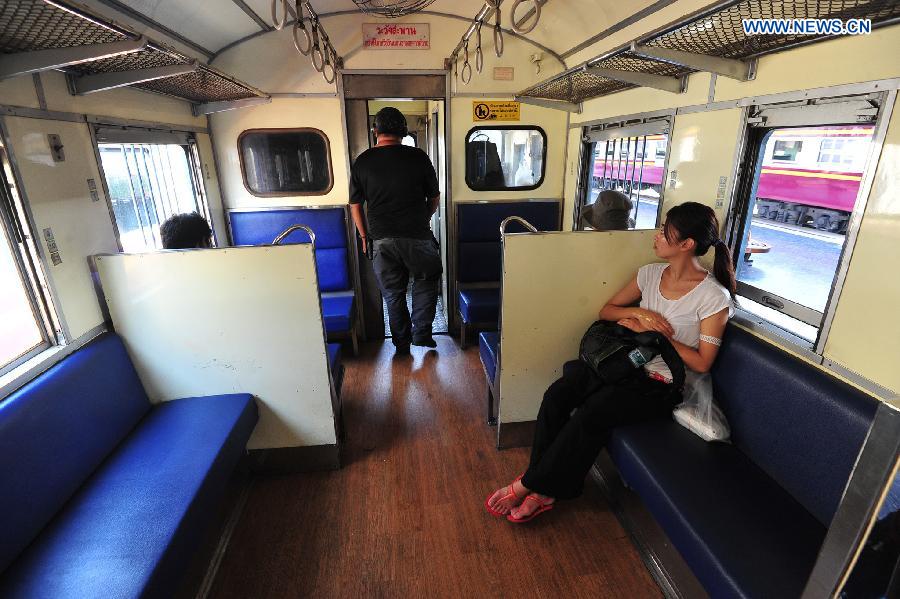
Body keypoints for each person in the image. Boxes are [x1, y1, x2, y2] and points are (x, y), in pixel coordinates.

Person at [486, 201, 735, 523]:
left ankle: (532, 486)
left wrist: (658, 336)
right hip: (624, 364)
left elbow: (702, 363)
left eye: (665, 231)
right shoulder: (650, 273)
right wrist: (640, 313)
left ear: (686, 244)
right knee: (557, 396)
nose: (657, 236)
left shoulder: (713, 297)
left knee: (593, 413)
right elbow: (607, 311)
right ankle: (543, 484)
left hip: (660, 384)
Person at [349, 107, 442, 354]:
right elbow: (434, 197)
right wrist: (424, 217)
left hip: (381, 239)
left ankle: (401, 342)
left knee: (393, 293)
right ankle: (421, 333)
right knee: (426, 279)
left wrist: (364, 236)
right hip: (418, 236)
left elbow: (355, 205)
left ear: (375, 131)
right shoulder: (418, 157)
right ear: (403, 131)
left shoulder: (363, 161)